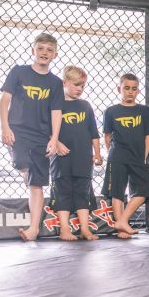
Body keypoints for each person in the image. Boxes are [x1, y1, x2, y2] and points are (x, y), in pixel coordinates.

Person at [0, 32, 64, 241]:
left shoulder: (55, 83)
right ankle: (26, 172)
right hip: (18, 130)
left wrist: (54, 138)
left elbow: (56, 112)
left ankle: (33, 229)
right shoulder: (19, 72)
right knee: (21, 163)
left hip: (41, 135)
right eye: (41, 48)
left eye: (49, 50)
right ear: (33, 50)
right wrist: (5, 127)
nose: (44, 52)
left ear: (55, 54)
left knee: (37, 184)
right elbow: (4, 100)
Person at [102, 73, 149, 238]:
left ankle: (123, 220)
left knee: (143, 191)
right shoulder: (111, 111)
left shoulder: (145, 111)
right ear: (119, 89)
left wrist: (143, 157)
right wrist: (111, 154)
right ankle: (121, 229)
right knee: (117, 193)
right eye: (126, 88)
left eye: (134, 89)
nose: (130, 92)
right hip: (117, 156)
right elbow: (107, 136)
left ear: (138, 91)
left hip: (137, 157)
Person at [51, 66, 102, 241]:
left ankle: (85, 229)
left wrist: (97, 153)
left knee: (82, 192)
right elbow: (46, 129)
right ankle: (65, 229)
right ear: (64, 82)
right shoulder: (55, 105)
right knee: (63, 192)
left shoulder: (85, 106)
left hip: (82, 157)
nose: (80, 89)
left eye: (83, 85)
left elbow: (94, 132)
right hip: (62, 157)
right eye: (76, 84)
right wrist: (56, 143)